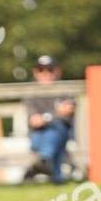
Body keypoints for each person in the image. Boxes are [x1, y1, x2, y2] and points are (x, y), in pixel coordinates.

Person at [24, 55, 75, 184]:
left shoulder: (65, 90)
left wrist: (45, 118)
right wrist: (56, 114)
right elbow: (34, 122)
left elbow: (67, 112)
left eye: (50, 70)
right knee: (54, 131)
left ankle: (44, 162)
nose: (45, 73)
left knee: (56, 130)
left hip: (60, 134)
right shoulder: (30, 92)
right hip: (38, 137)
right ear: (35, 72)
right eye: (41, 70)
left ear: (57, 71)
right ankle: (54, 172)